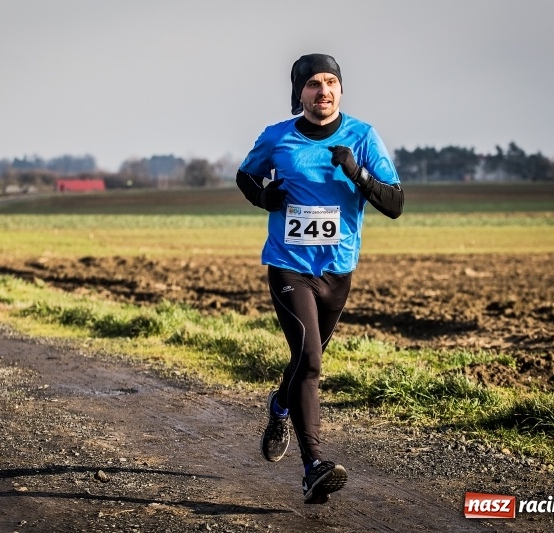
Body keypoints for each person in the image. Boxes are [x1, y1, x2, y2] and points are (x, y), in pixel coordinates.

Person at [236, 53, 404, 504]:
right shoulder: (278, 138)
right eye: (313, 84)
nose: (323, 91)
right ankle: (314, 467)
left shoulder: (363, 137)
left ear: (341, 90)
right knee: (311, 360)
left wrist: (357, 172)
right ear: (299, 93)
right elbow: (245, 177)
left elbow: (395, 203)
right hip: (289, 266)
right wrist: (264, 197)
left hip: (337, 272)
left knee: (303, 360)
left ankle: (279, 407)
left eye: (331, 82)